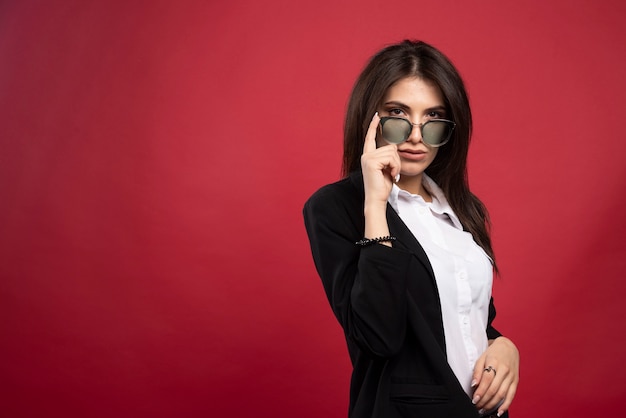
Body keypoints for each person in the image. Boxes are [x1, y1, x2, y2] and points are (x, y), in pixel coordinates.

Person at [303, 40, 520, 418]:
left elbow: (464, 319)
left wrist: (504, 345)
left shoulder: (461, 210)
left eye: (433, 118)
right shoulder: (335, 207)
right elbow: (377, 336)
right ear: (370, 118)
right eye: (398, 114)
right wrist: (375, 206)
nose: (417, 136)